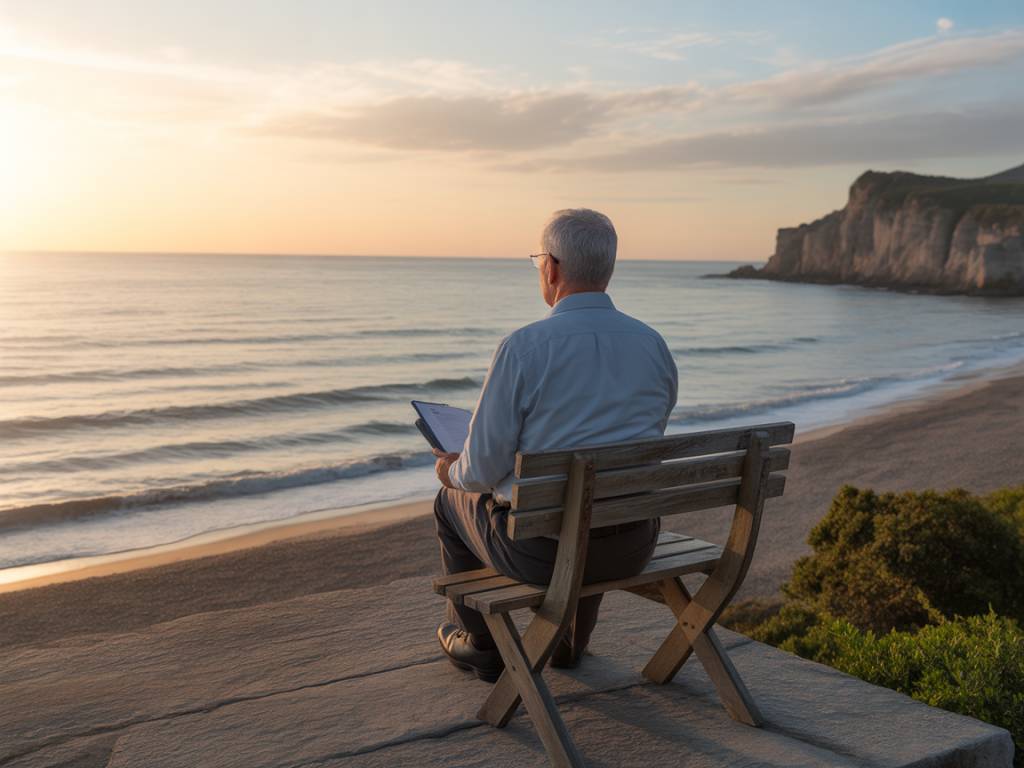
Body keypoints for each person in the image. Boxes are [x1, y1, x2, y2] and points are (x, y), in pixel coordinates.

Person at [432, 208, 678, 682]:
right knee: (596, 499)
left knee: (450, 500)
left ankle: (482, 645)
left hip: (541, 557)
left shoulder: (523, 348)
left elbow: (479, 472)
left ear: (552, 268)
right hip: (632, 545)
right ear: (606, 268)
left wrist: (450, 469)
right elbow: (646, 436)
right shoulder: (653, 344)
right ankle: (567, 645)